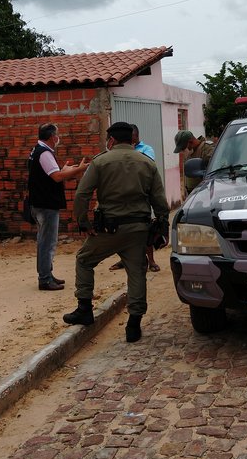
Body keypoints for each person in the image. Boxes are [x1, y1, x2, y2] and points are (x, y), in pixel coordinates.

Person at [63, 121, 170, 343]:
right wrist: (162, 226)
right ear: (132, 139)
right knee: (137, 272)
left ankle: (84, 308)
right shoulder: (147, 163)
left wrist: (83, 223)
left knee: (84, 260)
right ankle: (134, 324)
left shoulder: (101, 161)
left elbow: (82, 194)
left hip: (108, 229)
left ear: (111, 140)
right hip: (138, 230)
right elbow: (159, 200)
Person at [27, 123, 89, 291]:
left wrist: (66, 170)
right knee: (47, 242)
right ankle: (45, 279)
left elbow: (52, 174)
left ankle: (47, 273)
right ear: (51, 137)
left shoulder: (37, 150)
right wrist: (79, 169)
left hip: (40, 202)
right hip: (45, 204)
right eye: (56, 135)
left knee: (44, 241)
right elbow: (56, 177)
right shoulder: (44, 153)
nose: (58, 138)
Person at [109, 124, 161, 272]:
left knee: (146, 229)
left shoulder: (146, 150)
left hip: (141, 195)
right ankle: (124, 259)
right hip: (122, 195)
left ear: (136, 136)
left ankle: (151, 261)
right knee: (121, 229)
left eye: (130, 138)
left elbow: (145, 168)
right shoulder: (116, 151)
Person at [174, 129, 216, 197]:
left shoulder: (207, 149)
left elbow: (214, 171)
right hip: (193, 194)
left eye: (183, 148)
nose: (182, 151)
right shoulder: (190, 152)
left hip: (205, 193)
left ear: (190, 142)